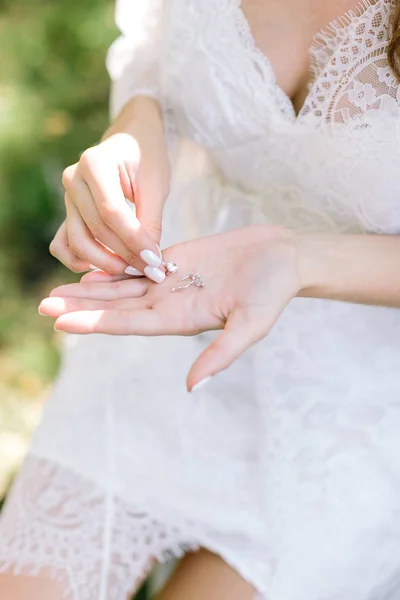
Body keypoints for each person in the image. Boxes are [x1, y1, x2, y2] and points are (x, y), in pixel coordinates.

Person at [1, 0, 400, 598]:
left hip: (356, 413)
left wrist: (301, 260)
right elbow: (155, 49)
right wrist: (134, 130)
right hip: (169, 332)